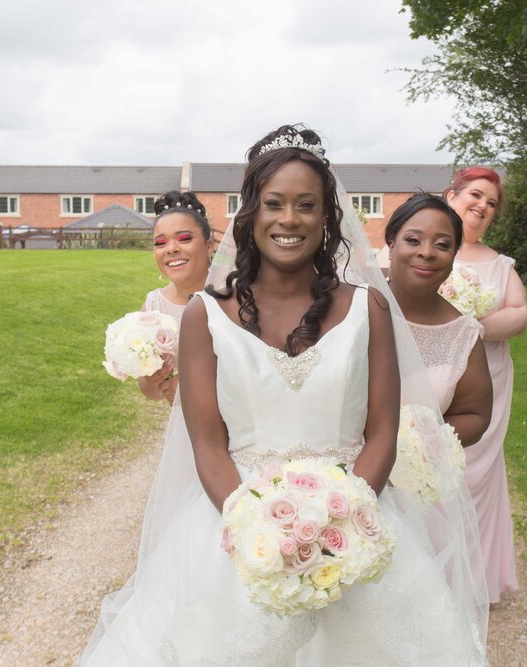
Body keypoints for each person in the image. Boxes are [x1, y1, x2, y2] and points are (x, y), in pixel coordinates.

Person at [80, 126, 487, 665]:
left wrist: (335, 525)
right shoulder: (206, 316)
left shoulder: (370, 310)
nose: (289, 219)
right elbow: (208, 443)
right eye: (274, 203)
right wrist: (256, 522)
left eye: (306, 205)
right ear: (251, 214)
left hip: (354, 523)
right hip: (236, 528)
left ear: (327, 217)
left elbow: (382, 431)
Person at [445, 166, 527, 602]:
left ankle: (475, 581)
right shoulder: (424, 245)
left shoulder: (500, 264)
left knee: (476, 472)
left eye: (491, 203)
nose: (482, 206)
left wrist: (475, 325)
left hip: (488, 378)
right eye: (475, 195)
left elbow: (520, 313)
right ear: (452, 195)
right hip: (431, 378)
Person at [384, 192, 492, 446]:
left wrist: (416, 441)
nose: (427, 252)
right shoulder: (353, 302)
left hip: (414, 475)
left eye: (442, 245)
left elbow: (475, 416)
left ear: (454, 256)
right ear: (391, 244)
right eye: (413, 240)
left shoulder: (463, 335)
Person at [137, 191, 214, 404]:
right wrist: (154, 378)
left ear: (209, 246)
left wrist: (190, 383)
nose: (171, 249)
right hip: (183, 429)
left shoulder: (234, 298)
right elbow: (150, 393)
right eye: (160, 243)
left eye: (184, 239)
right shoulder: (153, 307)